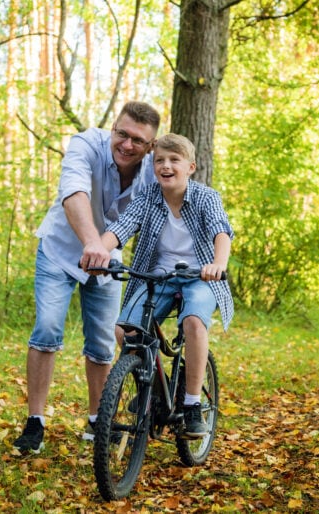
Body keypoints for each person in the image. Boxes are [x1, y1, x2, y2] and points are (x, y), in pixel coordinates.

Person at [12, 101, 161, 454]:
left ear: (150, 146)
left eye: (137, 141)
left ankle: (97, 421)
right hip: (61, 251)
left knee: (101, 342)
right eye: (121, 134)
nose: (126, 144)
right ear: (113, 128)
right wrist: (93, 243)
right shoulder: (85, 144)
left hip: (107, 261)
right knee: (47, 328)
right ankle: (35, 422)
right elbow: (74, 192)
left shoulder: (155, 168)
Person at [93, 133, 233, 438]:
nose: (165, 166)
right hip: (159, 275)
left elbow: (221, 232)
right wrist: (99, 250)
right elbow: (122, 226)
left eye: (174, 160)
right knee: (125, 331)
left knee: (195, 323)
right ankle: (155, 390)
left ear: (191, 167)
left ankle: (193, 404)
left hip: (200, 276)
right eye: (159, 160)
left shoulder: (206, 198)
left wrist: (218, 264)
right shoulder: (147, 197)